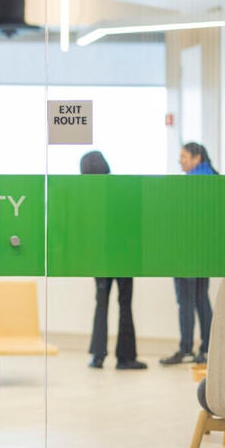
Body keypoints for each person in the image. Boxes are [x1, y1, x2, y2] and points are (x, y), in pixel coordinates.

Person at [80, 151, 147, 370]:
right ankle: (125, 358)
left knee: (101, 303)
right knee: (125, 303)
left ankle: (97, 356)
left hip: (100, 256)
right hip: (124, 255)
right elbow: (134, 223)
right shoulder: (121, 189)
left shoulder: (87, 195)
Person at [160, 142, 217, 365]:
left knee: (185, 300)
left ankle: (185, 349)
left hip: (186, 250)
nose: (180, 161)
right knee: (201, 298)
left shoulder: (190, 184)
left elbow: (179, 219)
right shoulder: (213, 179)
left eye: (184, 157)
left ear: (197, 158)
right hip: (205, 251)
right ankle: (207, 348)